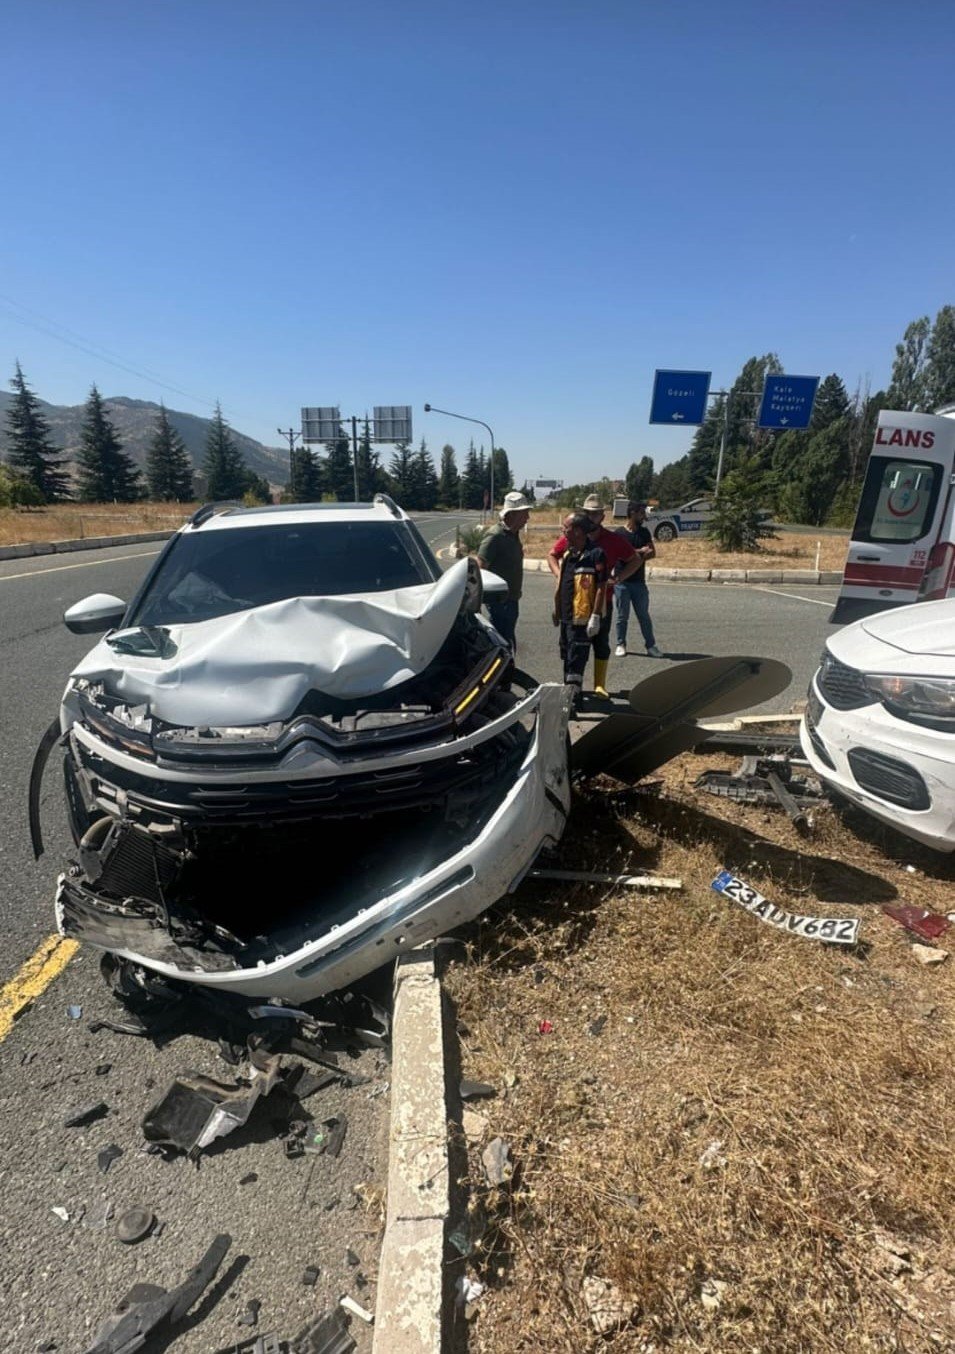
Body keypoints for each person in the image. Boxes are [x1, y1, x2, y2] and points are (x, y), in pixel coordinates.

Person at [547, 493, 641, 697]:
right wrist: (559, 577)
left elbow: (635, 560)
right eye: (588, 513)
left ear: (602, 517)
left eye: (595, 514)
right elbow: (552, 555)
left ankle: (599, 684)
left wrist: (618, 579)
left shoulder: (613, 540)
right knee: (572, 649)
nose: (591, 517)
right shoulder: (572, 539)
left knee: (600, 644)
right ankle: (573, 690)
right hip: (574, 605)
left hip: (601, 603)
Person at [554, 512, 607, 701]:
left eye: (566, 527)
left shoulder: (596, 554)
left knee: (576, 662)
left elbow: (601, 587)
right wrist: (557, 610)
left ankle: (573, 702)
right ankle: (568, 697)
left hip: (583, 620)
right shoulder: (569, 554)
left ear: (577, 531)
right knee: (567, 659)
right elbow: (563, 584)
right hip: (567, 618)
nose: (563, 530)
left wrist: (595, 616)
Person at [476, 490, 531, 651]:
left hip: (511, 599)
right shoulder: (495, 536)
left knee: (507, 640)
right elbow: (481, 567)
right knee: (502, 643)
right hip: (499, 602)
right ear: (512, 514)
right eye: (525, 513)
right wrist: (477, 601)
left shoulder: (512, 534)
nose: (528, 518)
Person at [614, 501, 663, 657]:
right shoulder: (619, 534)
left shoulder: (644, 533)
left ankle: (651, 645)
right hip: (622, 581)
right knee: (622, 616)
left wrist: (637, 553)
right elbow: (618, 554)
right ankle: (621, 643)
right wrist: (639, 551)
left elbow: (652, 553)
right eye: (641, 513)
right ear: (633, 513)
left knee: (644, 616)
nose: (644, 516)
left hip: (639, 582)